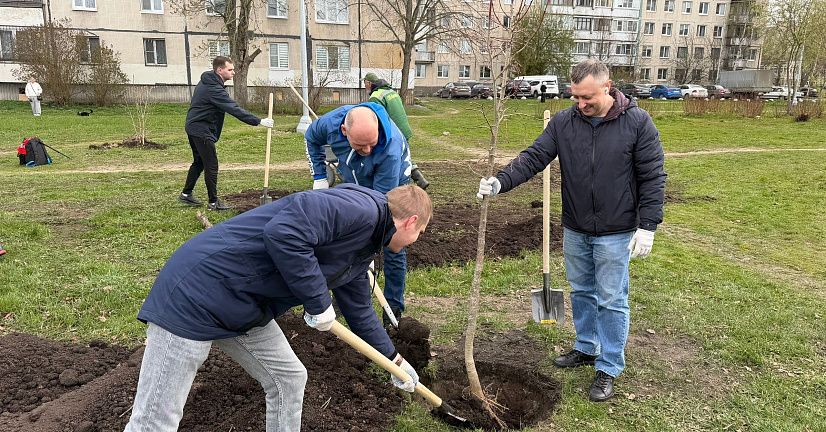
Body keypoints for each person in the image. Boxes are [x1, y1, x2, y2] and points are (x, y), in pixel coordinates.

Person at [124, 184, 431, 432]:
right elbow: (284, 233)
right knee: (155, 421)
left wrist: (394, 360)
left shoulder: (365, 245)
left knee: (288, 379)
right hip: (196, 295)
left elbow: (360, 310)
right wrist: (317, 301)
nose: (415, 242)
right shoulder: (358, 210)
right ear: (411, 221)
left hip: (245, 305)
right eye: (419, 235)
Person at [476, 59, 666, 402]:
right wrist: (501, 182)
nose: (580, 104)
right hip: (576, 226)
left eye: (587, 98)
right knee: (581, 291)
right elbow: (534, 157)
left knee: (611, 298)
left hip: (616, 228)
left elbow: (653, 176)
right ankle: (586, 347)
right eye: (575, 97)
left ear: (607, 87)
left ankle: (608, 366)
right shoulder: (565, 123)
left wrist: (648, 225)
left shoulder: (637, 123)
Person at [305, 103, 411, 326]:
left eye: (372, 144)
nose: (368, 150)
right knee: (344, 241)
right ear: (344, 132)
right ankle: (342, 298)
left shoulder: (389, 149)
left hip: (391, 187)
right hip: (354, 180)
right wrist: (319, 177)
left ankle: (393, 308)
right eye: (361, 145)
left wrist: (369, 248)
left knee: (392, 244)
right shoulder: (331, 124)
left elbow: (379, 208)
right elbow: (311, 138)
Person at [179, 56, 274, 211]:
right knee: (211, 164)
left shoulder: (208, 81)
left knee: (200, 162)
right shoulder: (214, 88)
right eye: (230, 69)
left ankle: (186, 194)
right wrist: (258, 121)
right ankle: (213, 202)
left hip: (194, 126)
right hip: (200, 129)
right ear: (219, 70)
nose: (233, 72)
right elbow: (233, 108)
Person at [363, 73, 428, 189]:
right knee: (404, 156)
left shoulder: (375, 97)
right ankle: (419, 178)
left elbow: (377, 118)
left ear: (369, 83)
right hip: (405, 129)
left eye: (365, 83)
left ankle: (400, 184)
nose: (364, 86)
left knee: (395, 158)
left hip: (396, 133)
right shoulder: (391, 92)